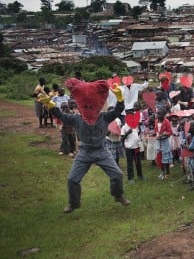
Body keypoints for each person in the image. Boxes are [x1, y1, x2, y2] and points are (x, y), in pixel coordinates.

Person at [40, 79, 130, 213]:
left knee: (117, 174)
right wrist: (50, 105)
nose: (89, 108)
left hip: (102, 151)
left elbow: (118, 111)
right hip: (84, 152)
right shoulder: (76, 118)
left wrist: (120, 99)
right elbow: (61, 115)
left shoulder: (104, 117)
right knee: (72, 179)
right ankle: (73, 203)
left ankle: (118, 195)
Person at [121, 110, 144, 183]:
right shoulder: (124, 127)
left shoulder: (135, 125)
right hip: (129, 148)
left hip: (136, 147)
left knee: (138, 163)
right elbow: (121, 139)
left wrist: (139, 129)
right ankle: (131, 178)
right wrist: (127, 133)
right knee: (130, 163)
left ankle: (140, 176)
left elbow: (137, 133)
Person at [155, 108, 173, 179]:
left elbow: (170, 131)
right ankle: (162, 171)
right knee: (159, 156)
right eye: (157, 113)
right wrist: (154, 133)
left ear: (163, 115)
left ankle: (167, 172)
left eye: (159, 114)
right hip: (158, 141)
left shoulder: (166, 121)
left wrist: (164, 134)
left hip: (165, 141)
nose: (158, 115)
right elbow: (156, 130)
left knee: (165, 157)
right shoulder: (156, 121)